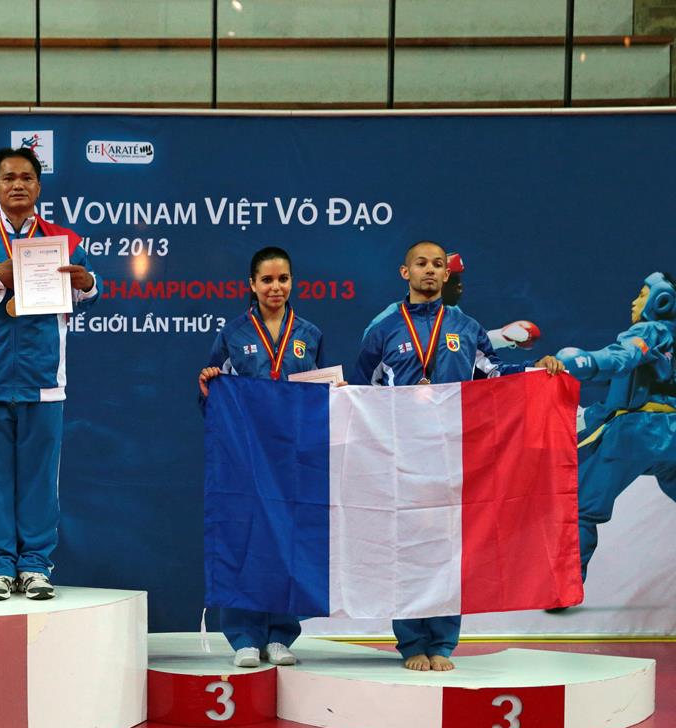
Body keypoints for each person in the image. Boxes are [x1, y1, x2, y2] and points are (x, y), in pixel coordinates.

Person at [351, 240, 565, 671]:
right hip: (401, 456)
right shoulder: (383, 328)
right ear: (405, 272)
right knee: (408, 550)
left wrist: (537, 371)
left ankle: (443, 643)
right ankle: (412, 642)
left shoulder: (467, 328)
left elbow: (494, 373)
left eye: (437, 265)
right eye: (420, 264)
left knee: (448, 551)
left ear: (446, 275)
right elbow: (362, 392)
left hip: (453, 454)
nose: (429, 270)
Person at [0, 147, 98, 601]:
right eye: (9, 178)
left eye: (27, 177)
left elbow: (91, 290)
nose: (18, 185)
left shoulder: (62, 240)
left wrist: (88, 283)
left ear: (38, 187)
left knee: (39, 480)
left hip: (43, 380)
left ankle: (34, 566)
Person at [198, 246, 324, 668]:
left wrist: (334, 394)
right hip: (247, 459)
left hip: (292, 458)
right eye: (267, 280)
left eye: (283, 278)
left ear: (292, 281)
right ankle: (244, 638)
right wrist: (209, 384)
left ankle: (281, 636)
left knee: (288, 543)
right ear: (252, 284)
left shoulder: (309, 334)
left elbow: (319, 395)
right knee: (244, 540)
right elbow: (213, 395)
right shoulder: (233, 334)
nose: (275, 287)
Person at [557, 271, 676, 582]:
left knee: (580, 506)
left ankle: (565, 585)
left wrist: (587, 362)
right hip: (671, 435)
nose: (634, 302)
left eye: (642, 295)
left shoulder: (650, 330)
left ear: (661, 301)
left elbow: (624, 356)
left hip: (638, 433)